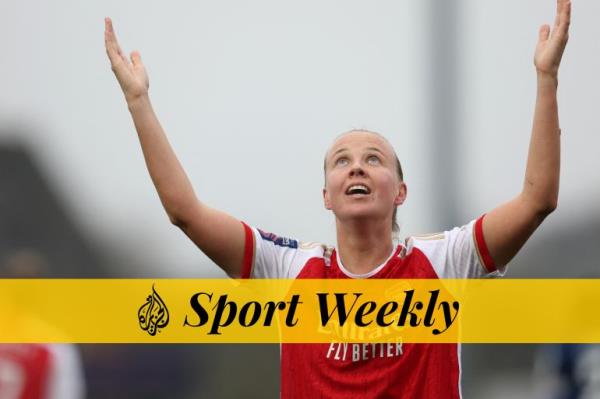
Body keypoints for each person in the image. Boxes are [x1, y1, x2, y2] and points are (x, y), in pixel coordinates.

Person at [104, 0, 570, 397]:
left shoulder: (445, 263)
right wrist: (138, 103)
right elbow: (184, 212)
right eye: (341, 160)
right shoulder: (288, 271)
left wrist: (546, 78)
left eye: (374, 159)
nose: (357, 166)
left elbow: (537, 200)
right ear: (327, 196)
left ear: (400, 192)